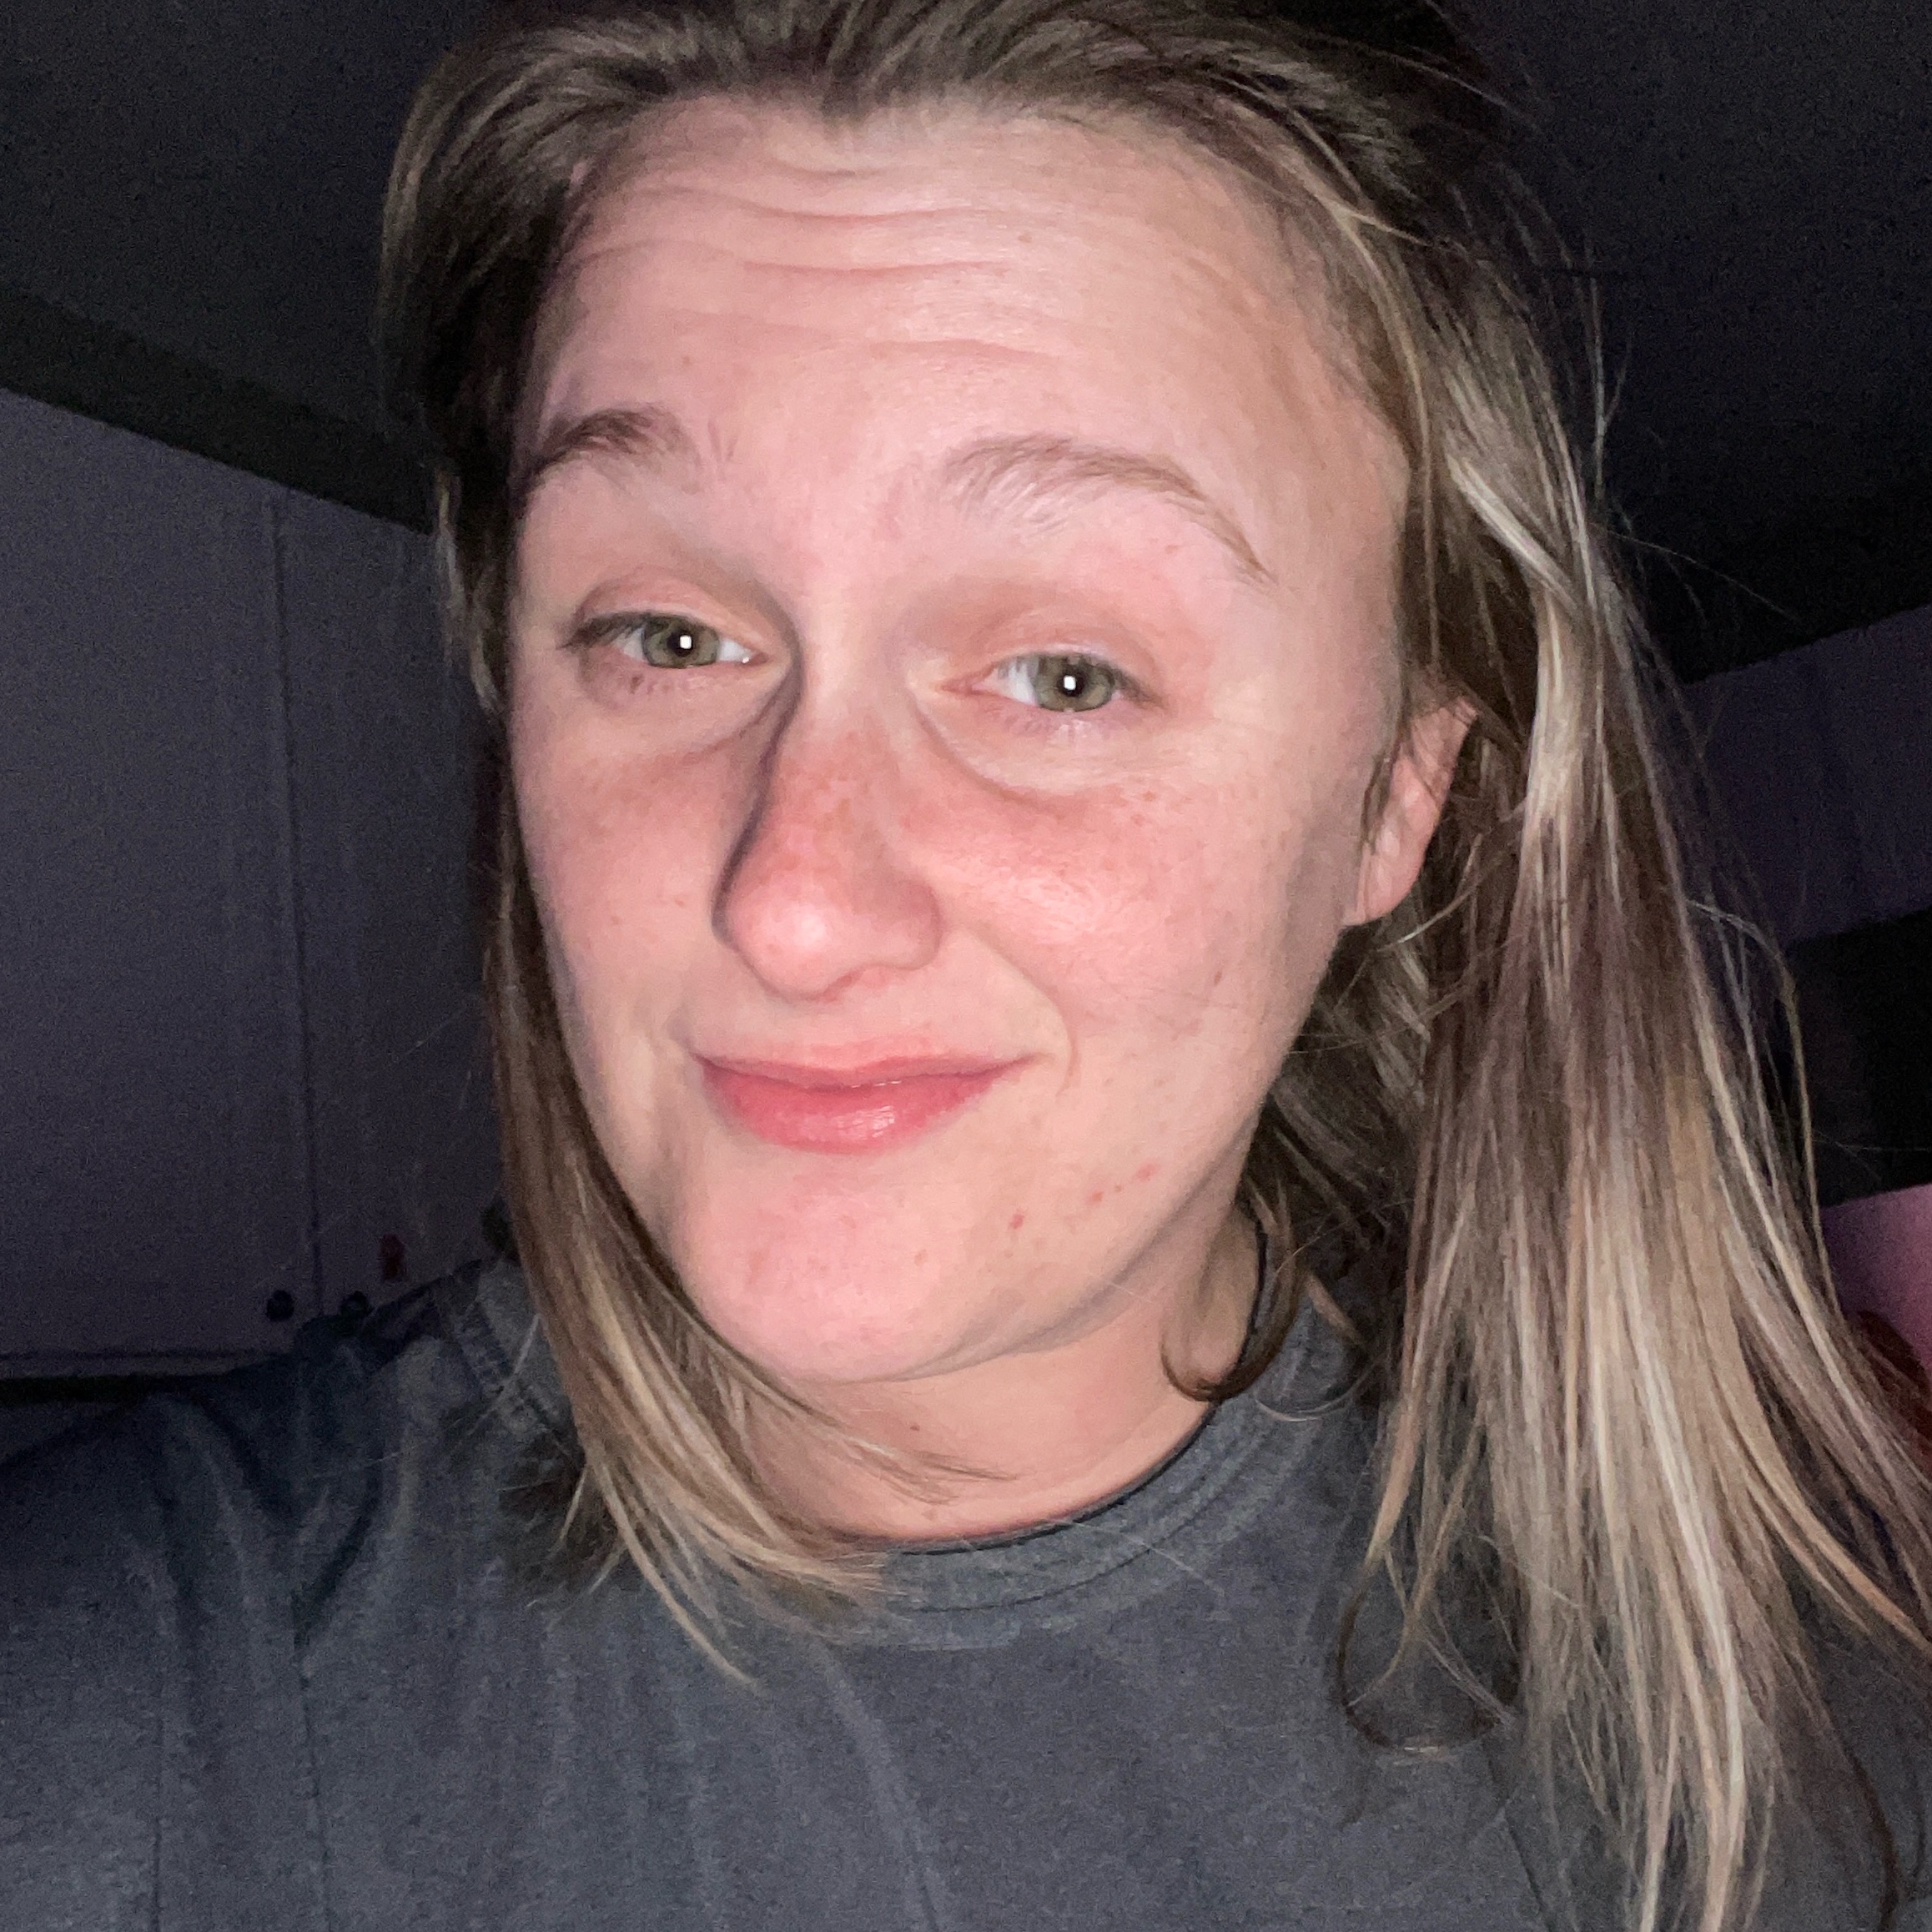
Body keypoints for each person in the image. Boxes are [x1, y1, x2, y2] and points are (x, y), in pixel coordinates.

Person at [4, 3, 1931, 1927]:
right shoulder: (122, 1704)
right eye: (669, 635)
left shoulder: (1804, 1714)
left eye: (1064, 674)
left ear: (1391, 805)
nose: (794, 902)